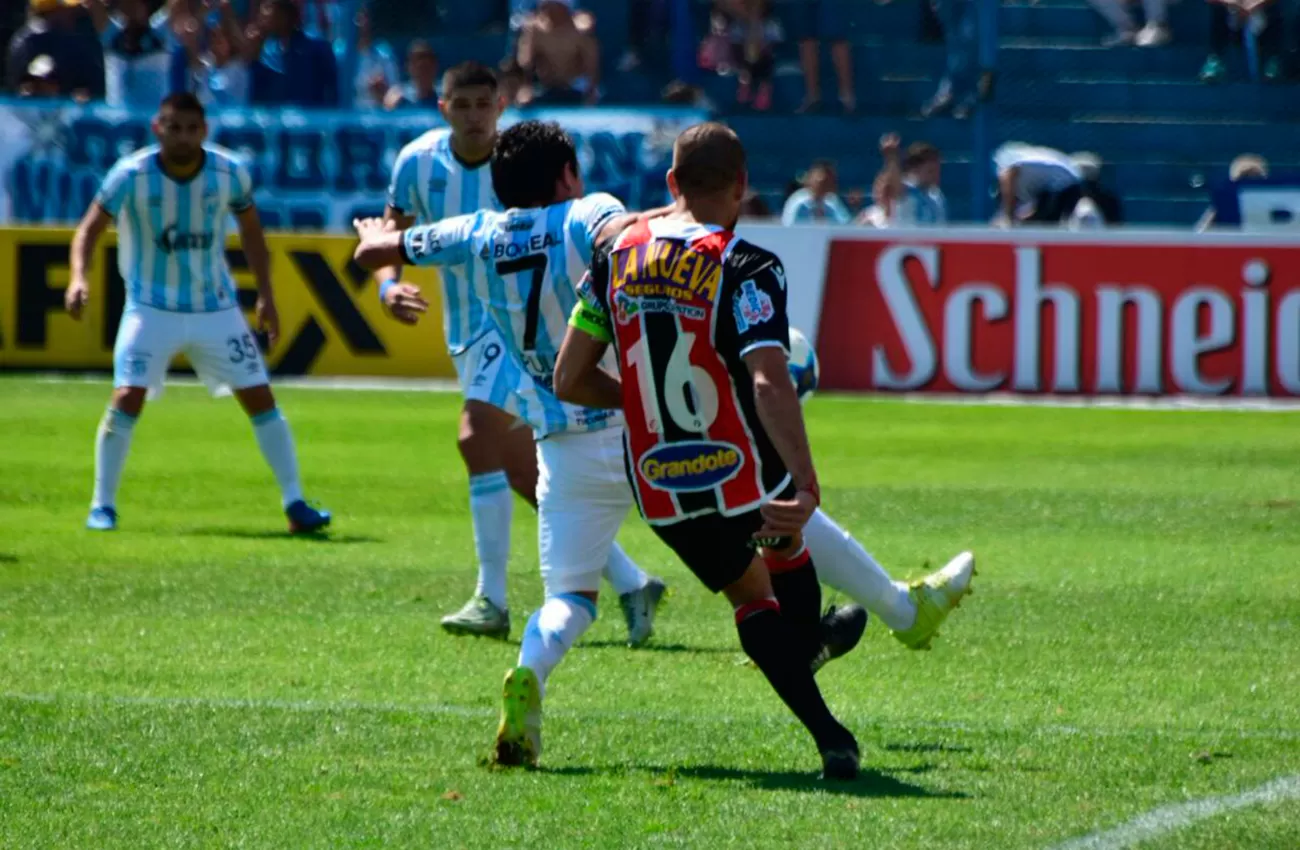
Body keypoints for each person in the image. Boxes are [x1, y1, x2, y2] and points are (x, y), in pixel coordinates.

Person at [353, 120, 869, 773]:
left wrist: (378, 242)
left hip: (567, 442)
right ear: (569, 175)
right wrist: (677, 205)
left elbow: (378, 255)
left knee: (569, 596)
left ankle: (530, 672)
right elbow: (631, 233)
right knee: (763, 566)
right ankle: (819, 645)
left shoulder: (476, 231)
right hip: (656, 433)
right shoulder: (597, 215)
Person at [552, 121, 867, 778]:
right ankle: (807, 649)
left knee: (748, 597)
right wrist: (805, 481)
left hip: (661, 478)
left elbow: (570, 378)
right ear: (743, 187)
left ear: (670, 184)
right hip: (742, 461)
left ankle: (829, 727)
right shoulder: (747, 264)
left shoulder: (616, 257)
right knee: (784, 551)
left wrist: (639, 408)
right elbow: (766, 378)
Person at [370, 65, 666, 645]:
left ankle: (492, 598)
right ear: (443, 107)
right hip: (469, 327)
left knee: (474, 435)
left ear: (500, 105)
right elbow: (393, 232)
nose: (474, 115)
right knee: (522, 468)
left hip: (511, 331)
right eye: (462, 104)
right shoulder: (416, 163)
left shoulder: (521, 161)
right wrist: (387, 285)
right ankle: (632, 582)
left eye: (484, 104)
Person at [63, 93, 331, 536]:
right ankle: (102, 505)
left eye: (191, 128)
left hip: (216, 309)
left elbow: (251, 233)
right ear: (158, 128)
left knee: (260, 398)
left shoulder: (229, 173)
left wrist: (266, 295)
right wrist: (79, 278)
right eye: (174, 127)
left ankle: (296, 503)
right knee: (127, 396)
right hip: (150, 308)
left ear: (204, 130)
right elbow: (89, 228)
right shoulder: (131, 174)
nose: (183, 137)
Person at [6, 0, 103, 102]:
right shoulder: (30, 42)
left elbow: (90, 85)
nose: (75, 12)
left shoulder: (76, 39)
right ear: (53, 11)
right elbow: (18, 85)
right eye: (67, 9)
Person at [249, 0, 338, 107]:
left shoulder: (317, 50)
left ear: (284, 14)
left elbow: (331, 95)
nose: (261, 14)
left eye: (268, 7)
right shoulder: (267, 52)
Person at [85, 0, 173, 108]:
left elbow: (176, 7)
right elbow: (94, 5)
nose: (130, 8)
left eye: (135, 3)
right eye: (126, 3)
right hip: (118, 118)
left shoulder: (160, 33)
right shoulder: (112, 34)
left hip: (152, 114)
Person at [515, 0, 599, 105]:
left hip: (575, 87)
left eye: (555, 7)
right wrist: (526, 88)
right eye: (547, 7)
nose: (551, 12)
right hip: (544, 87)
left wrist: (591, 88)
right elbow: (525, 63)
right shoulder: (535, 31)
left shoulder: (580, 31)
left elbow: (591, 64)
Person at [993, 142, 1084, 227]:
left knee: (1044, 226)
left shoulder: (1008, 172)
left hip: (1062, 182)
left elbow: (1007, 181)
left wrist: (1008, 218)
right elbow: (1034, 209)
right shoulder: (1029, 179)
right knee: (1043, 224)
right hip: (1069, 180)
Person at [868, 134, 947, 227]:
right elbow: (894, 187)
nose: (936, 175)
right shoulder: (907, 190)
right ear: (915, 169)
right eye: (930, 171)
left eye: (938, 170)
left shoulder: (936, 196)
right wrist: (891, 158)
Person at [781, 160, 852, 225]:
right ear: (811, 178)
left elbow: (845, 225)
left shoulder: (832, 201)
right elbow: (789, 228)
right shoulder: (799, 202)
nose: (826, 184)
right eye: (823, 180)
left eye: (830, 180)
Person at [383, 39, 437, 110]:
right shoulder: (398, 97)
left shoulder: (443, 98)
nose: (422, 73)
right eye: (419, 68)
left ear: (435, 67)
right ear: (409, 68)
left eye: (426, 68)